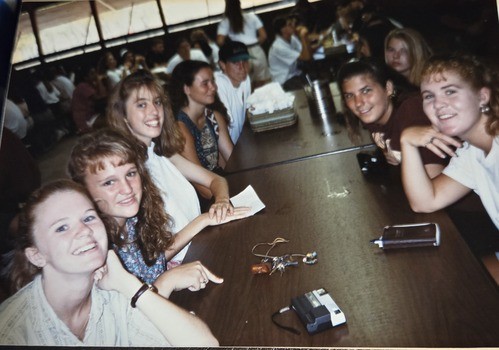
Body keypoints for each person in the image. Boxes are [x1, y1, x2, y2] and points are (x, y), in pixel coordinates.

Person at [0, 179, 218, 346]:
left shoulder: (110, 292)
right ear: (36, 255)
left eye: (88, 218)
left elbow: (206, 344)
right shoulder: (11, 332)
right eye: (61, 228)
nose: (84, 231)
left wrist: (128, 284)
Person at [68, 129, 248, 293]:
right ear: (84, 192)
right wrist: (166, 282)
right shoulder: (94, 247)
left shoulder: (130, 219)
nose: (127, 188)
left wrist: (203, 220)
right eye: (109, 182)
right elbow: (125, 319)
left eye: (130, 174)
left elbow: (154, 261)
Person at [106, 70, 233, 263]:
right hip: (180, 267)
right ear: (123, 115)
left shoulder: (161, 153)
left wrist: (222, 200)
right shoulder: (127, 172)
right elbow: (151, 259)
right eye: (142, 104)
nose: (154, 111)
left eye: (157, 102)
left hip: (202, 248)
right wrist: (203, 220)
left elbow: (217, 180)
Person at [400, 53, 498, 224]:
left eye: (450, 91)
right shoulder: (472, 152)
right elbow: (425, 202)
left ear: (482, 96)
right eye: (429, 96)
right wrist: (406, 141)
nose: (438, 104)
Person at [337, 59, 447, 178]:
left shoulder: (412, 111)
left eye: (366, 91)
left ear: (388, 88)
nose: (358, 103)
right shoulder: (374, 118)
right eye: (349, 96)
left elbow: (435, 183)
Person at [170, 60, 233, 173]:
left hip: (218, 182)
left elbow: (233, 160)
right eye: (205, 84)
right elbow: (199, 182)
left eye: (212, 81)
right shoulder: (180, 127)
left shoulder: (213, 117)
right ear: (186, 89)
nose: (213, 87)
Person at [216, 0, 270, 88]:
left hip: (239, 53)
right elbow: (263, 36)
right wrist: (255, 44)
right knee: (262, 83)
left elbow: (220, 41)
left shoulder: (226, 21)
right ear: (240, 4)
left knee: (245, 84)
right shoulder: (252, 17)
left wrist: (231, 49)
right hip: (256, 50)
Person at [215, 41, 252, 144]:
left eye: (245, 61)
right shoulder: (217, 84)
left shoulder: (245, 79)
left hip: (240, 142)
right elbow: (225, 128)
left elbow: (247, 111)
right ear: (222, 65)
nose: (243, 67)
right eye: (236, 63)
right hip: (226, 148)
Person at [268, 15, 313, 91]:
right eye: (290, 24)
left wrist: (305, 37)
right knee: (308, 91)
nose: (293, 26)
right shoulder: (278, 47)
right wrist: (302, 36)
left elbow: (307, 52)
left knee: (314, 82)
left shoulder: (292, 38)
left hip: (295, 74)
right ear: (283, 29)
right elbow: (306, 57)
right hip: (285, 80)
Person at [71, 64, 108, 134]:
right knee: (111, 121)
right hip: (85, 120)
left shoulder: (90, 85)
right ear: (86, 77)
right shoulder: (82, 86)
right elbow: (101, 98)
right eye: (92, 74)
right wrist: (99, 80)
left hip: (91, 115)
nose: (95, 75)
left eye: (95, 73)